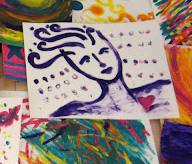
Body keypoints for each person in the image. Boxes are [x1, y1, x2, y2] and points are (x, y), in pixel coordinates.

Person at [26, 24, 172, 117]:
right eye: (86, 60)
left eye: (103, 51)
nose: (100, 63)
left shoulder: (162, 90)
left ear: (113, 49)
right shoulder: (75, 111)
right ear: (78, 68)